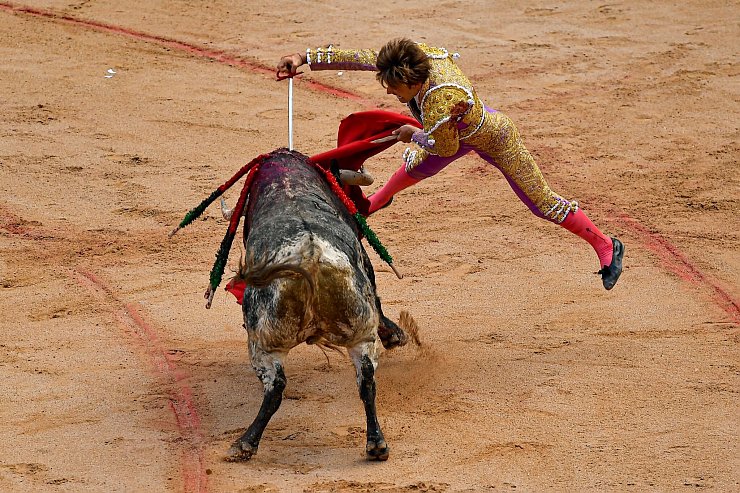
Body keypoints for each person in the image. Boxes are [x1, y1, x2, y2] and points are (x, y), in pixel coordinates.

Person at [277, 38, 624, 290]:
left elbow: (443, 147)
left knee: (542, 202)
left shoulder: (440, 101)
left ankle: (606, 245)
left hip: (494, 139)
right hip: (451, 133)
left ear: (413, 83)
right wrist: (304, 56)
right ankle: (369, 209)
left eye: (394, 87)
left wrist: (412, 135)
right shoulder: (416, 60)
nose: (388, 93)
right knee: (401, 178)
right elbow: (360, 56)